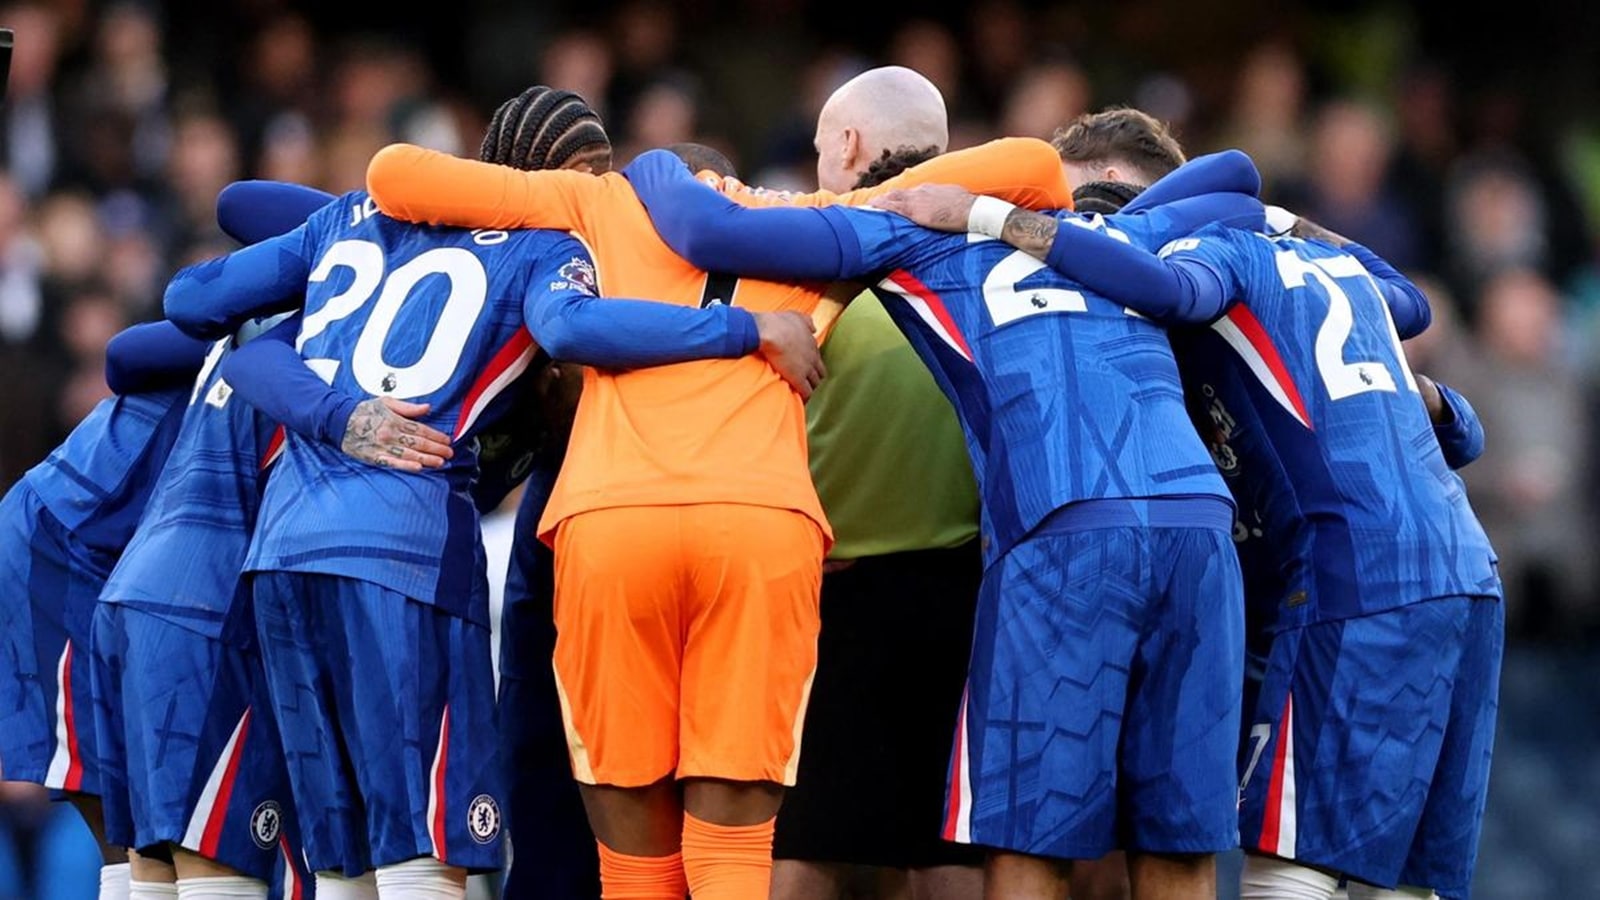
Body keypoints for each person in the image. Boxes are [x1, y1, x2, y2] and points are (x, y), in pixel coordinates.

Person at [362, 116, 1076, 898]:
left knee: (634, 868)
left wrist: (650, 196)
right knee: (733, 856)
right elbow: (1039, 164)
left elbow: (395, 172)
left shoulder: (591, 202)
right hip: (758, 526)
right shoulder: (815, 220)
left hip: (612, 522)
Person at [162, 86, 823, 900]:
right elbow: (574, 330)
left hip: (284, 548)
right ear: (566, 179)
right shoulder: (547, 247)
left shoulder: (353, 217)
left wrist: (337, 413)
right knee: (421, 848)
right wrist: (743, 331)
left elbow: (197, 307)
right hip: (403, 549)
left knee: (338, 858)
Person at [620, 128, 1265, 898]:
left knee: (1030, 841)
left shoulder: (912, 228)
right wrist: (1011, 215)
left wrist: (651, 165)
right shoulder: (1122, 234)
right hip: (1197, 523)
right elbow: (1238, 172)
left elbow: (709, 229)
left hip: (1063, 521)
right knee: (1178, 844)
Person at [907, 188, 1502, 900]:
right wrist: (1288, 222)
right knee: (1400, 882)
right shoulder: (1316, 275)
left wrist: (996, 219)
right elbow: (1449, 395)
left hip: (1354, 576)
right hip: (1464, 567)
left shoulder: (1203, 271)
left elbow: (1173, 287)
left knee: (1290, 865)